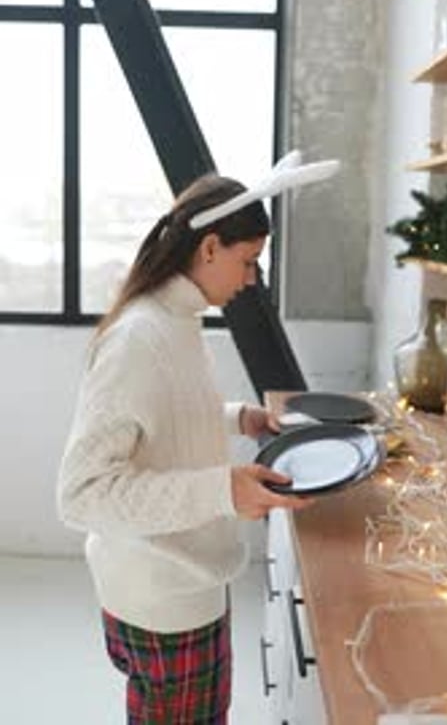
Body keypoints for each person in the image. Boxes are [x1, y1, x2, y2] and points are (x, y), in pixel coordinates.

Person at [57, 171, 314, 725]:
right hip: (164, 603)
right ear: (209, 247)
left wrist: (236, 418)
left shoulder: (176, 320)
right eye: (248, 261)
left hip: (177, 586)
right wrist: (223, 489)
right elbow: (82, 494)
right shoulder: (140, 338)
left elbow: (162, 419)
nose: (252, 279)